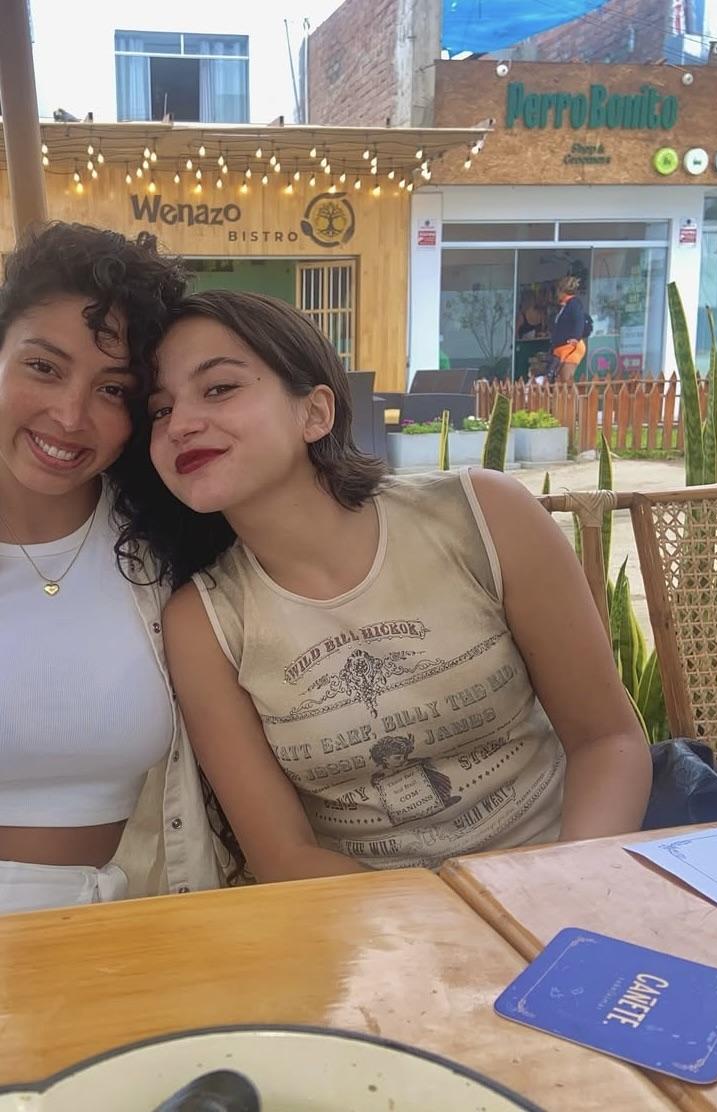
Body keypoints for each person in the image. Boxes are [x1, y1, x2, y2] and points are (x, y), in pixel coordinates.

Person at [144, 290, 651, 884]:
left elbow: (606, 740)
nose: (180, 424)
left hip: (565, 880)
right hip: (369, 920)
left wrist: (568, 889)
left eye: (219, 388)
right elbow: (284, 855)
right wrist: (435, 927)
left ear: (315, 413)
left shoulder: (483, 516)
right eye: (159, 410)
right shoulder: (203, 622)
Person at [0, 222, 223, 914]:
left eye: (113, 390)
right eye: (43, 367)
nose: (70, 416)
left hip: (129, 927)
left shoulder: (170, 542)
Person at [550, 276, 588, 383]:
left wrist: (575, 337)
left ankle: (573, 395)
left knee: (566, 379)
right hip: (562, 348)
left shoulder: (574, 304)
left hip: (570, 348)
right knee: (560, 380)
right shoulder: (565, 306)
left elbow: (579, 320)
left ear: (562, 291)